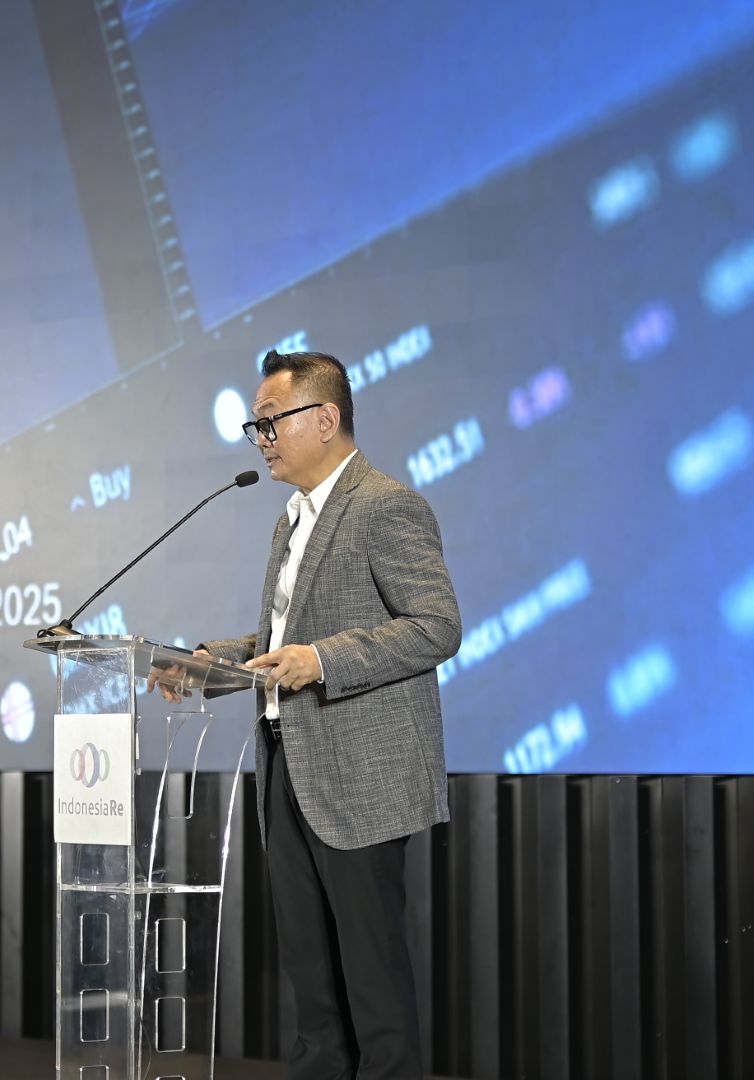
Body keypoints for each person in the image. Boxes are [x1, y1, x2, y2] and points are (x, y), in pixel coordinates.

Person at [151, 349, 461, 1078]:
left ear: (325, 418)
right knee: (313, 984)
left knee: (373, 983)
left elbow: (436, 627)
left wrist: (322, 660)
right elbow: (282, 642)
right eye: (254, 426)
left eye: (270, 422)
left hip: (362, 777)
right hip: (289, 766)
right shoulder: (292, 520)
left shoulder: (385, 506)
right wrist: (207, 665)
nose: (260, 439)